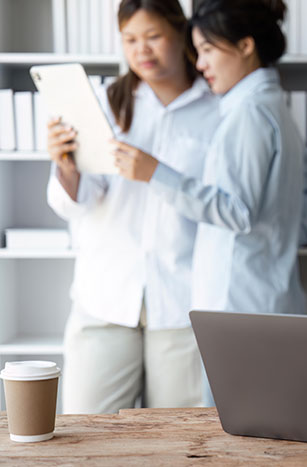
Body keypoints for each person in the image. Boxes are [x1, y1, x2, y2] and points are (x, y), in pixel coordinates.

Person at [111, 0, 307, 340]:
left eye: (207, 50)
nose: (200, 64)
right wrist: (277, 240)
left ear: (245, 46)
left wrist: (156, 174)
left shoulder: (249, 113)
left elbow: (237, 211)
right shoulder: (270, 105)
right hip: (264, 297)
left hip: (238, 306)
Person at [47, 0, 220, 413]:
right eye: (130, 40)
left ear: (181, 33)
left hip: (183, 303)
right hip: (104, 296)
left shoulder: (217, 108)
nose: (141, 50)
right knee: (87, 435)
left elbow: (224, 203)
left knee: (181, 441)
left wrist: (157, 172)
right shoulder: (105, 104)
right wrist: (65, 168)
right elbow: (78, 201)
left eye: (153, 36)